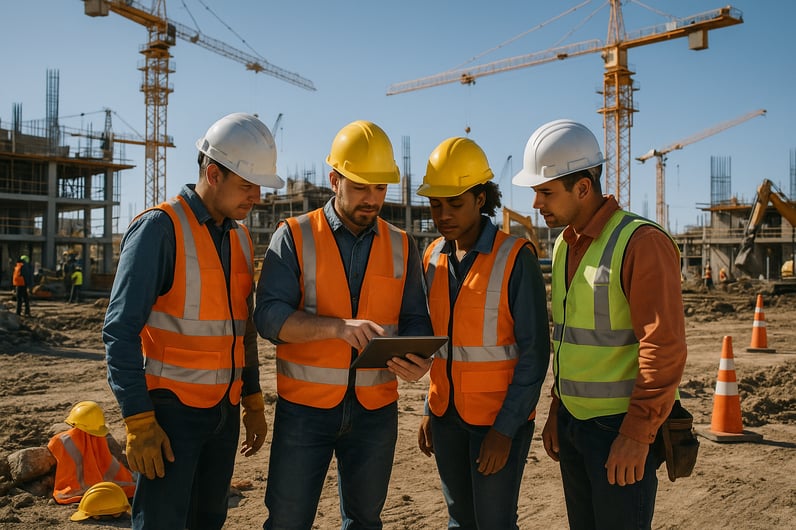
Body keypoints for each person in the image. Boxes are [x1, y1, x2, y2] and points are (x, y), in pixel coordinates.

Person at [103, 113, 282, 530]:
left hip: (224, 412)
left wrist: (252, 399)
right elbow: (119, 330)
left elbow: (244, 329)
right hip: (170, 417)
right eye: (247, 185)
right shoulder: (160, 229)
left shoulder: (239, 238)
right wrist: (138, 419)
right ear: (214, 174)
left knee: (209, 519)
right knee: (163, 522)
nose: (256, 196)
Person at [254, 119, 434, 530]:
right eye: (360, 187)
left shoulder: (402, 244)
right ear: (334, 180)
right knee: (286, 521)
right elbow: (267, 317)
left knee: (365, 521)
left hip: (376, 412)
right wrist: (337, 328)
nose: (372, 199)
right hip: (305, 410)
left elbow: (415, 322)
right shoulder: (293, 236)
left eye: (380, 188)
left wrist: (418, 360)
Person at [513, 119, 687, 529]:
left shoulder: (641, 242)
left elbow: (663, 348)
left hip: (619, 429)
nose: (536, 204)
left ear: (584, 188)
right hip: (575, 425)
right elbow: (570, 339)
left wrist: (638, 434)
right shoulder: (562, 245)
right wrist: (558, 406)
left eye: (545, 192)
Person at [412, 137, 550, 529]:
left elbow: (535, 355)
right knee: (460, 521)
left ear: (481, 198)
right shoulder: (432, 256)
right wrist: (429, 409)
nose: (443, 214)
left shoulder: (514, 257)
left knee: (494, 522)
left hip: (497, 421)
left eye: (454, 203)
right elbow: (442, 342)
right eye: (436, 204)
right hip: (446, 417)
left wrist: (505, 431)